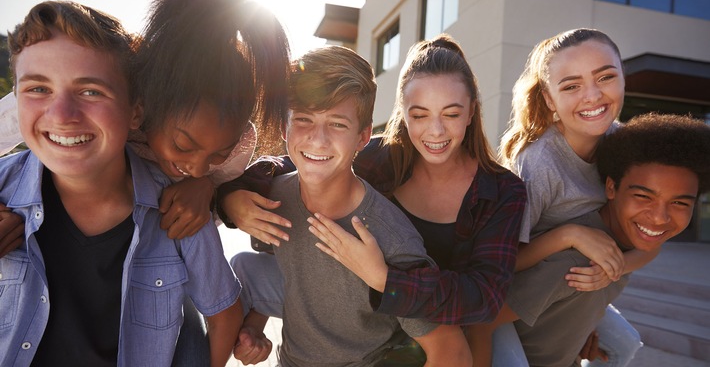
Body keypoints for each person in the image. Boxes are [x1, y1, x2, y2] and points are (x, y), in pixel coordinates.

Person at [218, 34, 528, 363]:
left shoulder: (500, 191)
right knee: (245, 267)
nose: (435, 131)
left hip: (453, 318)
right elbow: (301, 162)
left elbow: (483, 298)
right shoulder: (378, 156)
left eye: (450, 114)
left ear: (470, 113)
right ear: (403, 113)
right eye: (420, 114)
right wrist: (230, 196)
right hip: (362, 303)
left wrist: (383, 278)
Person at [0, 0, 242, 366]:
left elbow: (223, 312)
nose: (62, 116)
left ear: (136, 112)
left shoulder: (178, 209)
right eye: (38, 89)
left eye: (91, 91)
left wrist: (207, 183)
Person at [0, 0, 291, 241]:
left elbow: (203, 205)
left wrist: (206, 188)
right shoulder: (96, 96)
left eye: (218, 154)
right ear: (142, 105)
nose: (198, 167)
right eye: (183, 145)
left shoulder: (239, 146)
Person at [468, 28, 649, 366]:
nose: (592, 96)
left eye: (605, 77)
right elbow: (502, 263)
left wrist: (599, 289)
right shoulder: (537, 163)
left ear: (623, 77)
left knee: (624, 345)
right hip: (507, 300)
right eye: (571, 86)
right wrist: (570, 235)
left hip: (574, 291)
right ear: (550, 99)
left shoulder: (627, 146)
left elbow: (651, 241)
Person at [496, 112, 710, 367]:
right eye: (643, 196)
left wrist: (579, 329)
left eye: (679, 202)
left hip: (562, 349)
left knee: (622, 344)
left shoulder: (628, 243)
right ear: (610, 188)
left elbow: (651, 250)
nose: (659, 218)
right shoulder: (574, 264)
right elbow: (483, 320)